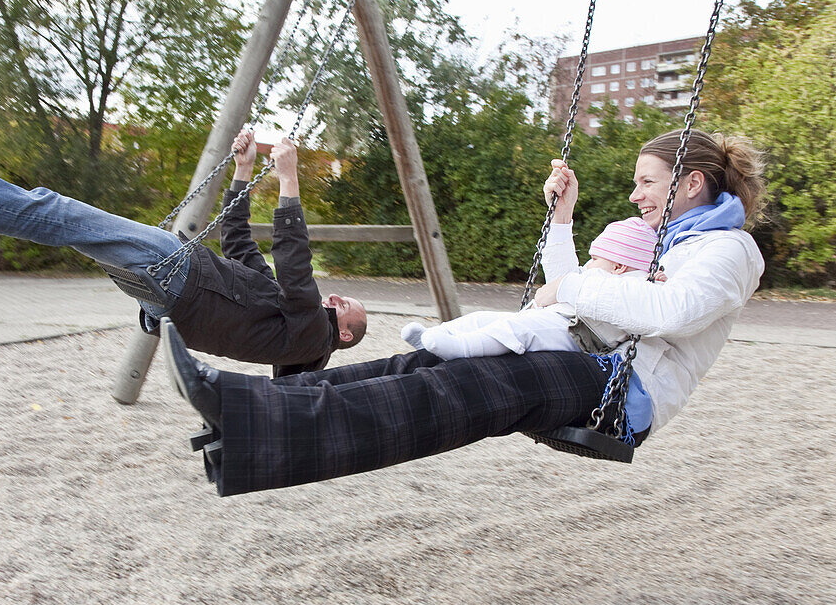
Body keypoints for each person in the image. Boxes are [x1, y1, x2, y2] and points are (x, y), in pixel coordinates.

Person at [164, 128, 767, 496]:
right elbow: (568, 288)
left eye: (646, 183)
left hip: (623, 390)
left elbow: (674, 310)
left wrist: (573, 290)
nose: (636, 196)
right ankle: (244, 416)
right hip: (579, 353)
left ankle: (244, 422)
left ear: (689, 184)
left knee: (464, 386)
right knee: (422, 362)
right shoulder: (662, 239)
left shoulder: (728, 250)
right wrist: (563, 219)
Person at [0, 82, 366, 377]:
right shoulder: (286, 320)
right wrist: (241, 168)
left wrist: (290, 179)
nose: (336, 296)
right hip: (169, 297)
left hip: (178, 274)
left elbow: (297, 267)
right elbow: (238, 243)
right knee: (54, 221)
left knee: (53, 212)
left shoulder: (309, 336)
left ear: (341, 333)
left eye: (345, 306)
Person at [400, 211, 666, 360]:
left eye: (595, 258)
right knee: (484, 318)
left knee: (515, 329)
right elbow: (567, 277)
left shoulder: (633, 283)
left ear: (619, 266)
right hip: (560, 321)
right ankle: (437, 336)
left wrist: (651, 278)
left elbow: (642, 299)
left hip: (578, 336)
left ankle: (461, 349)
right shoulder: (597, 277)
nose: (589, 262)